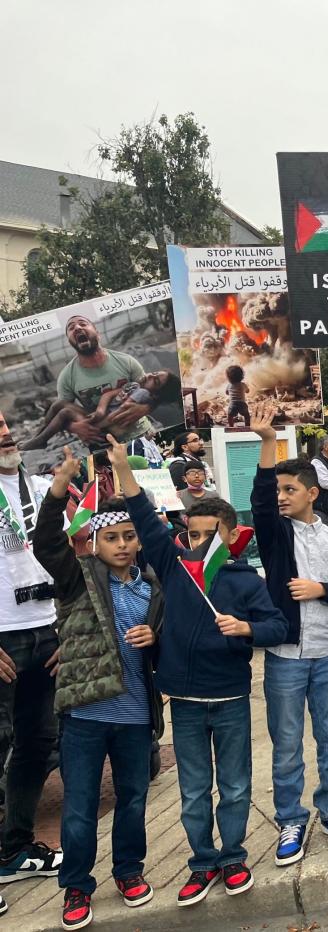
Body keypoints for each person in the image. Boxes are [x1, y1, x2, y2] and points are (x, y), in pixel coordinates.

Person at [111, 440, 288, 907]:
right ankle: (202, 862)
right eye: (193, 535)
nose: (200, 543)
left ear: (230, 536)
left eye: (211, 534)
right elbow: (146, 520)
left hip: (230, 698)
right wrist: (120, 472)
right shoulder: (173, 569)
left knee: (234, 788)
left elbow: (278, 625)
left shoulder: (245, 581)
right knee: (193, 792)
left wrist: (246, 626)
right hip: (185, 701)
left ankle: (233, 857)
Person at [33, 455, 162, 931]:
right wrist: (60, 485)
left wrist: (156, 637)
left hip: (134, 716)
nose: (123, 545)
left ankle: (128, 872)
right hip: (85, 716)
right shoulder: (78, 578)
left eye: (129, 536)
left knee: (133, 800)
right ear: (95, 540)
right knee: (81, 804)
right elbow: (46, 541)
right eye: (112, 537)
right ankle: (76, 887)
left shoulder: (152, 586)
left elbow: (167, 642)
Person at [250, 404, 328, 868]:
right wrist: (267, 443)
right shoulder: (276, 536)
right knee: (288, 742)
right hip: (285, 657)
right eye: (278, 488)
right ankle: (290, 818)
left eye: (289, 489)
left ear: (312, 493)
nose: (280, 496)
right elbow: (258, 502)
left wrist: (323, 590)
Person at [0, 409, 63, 892]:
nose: (4, 433)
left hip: (47, 628)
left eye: (5, 426)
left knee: (37, 743)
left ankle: (15, 847)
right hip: (2, 637)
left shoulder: (41, 489)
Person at [54, 316, 153, 444]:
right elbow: (63, 415)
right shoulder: (66, 376)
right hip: (102, 444)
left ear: (97, 333)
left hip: (142, 435)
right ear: (70, 341)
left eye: (83, 324)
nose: (77, 328)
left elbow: (152, 391)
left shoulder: (126, 361)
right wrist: (74, 427)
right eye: (71, 328)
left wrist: (146, 408)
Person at [22, 371, 177, 451]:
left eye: (155, 381)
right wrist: (100, 411)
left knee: (64, 412)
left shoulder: (142, 394)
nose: (150, 376)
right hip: (100, 417)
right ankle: (39, 437)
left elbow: (117, 415)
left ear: (157, 394)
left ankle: (40, 439)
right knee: (59, 404)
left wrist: (95, 423)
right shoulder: (137, 387)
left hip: (103, 428)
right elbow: (110, 394)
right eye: (154, 373)